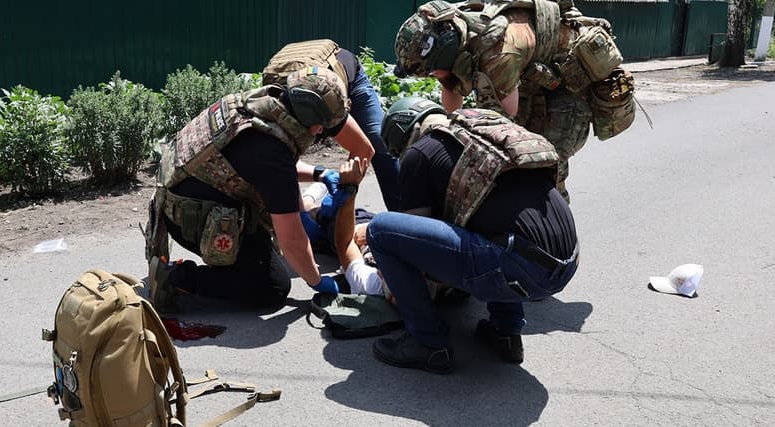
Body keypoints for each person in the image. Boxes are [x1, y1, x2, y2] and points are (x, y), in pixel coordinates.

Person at [366, 97, 579, 373]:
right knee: (496, 226)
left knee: (381, 230)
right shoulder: (478, 136)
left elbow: (419, 256)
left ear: (400, 137)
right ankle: (506, 333)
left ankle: (429, 343)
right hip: (567, 262)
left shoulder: (418, 154)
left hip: (518, 267)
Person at [143, 66, 364, 313]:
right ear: (309, 118)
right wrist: (319, 281)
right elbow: (292, 240)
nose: (321, 131)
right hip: (192, 219)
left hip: (181, 196)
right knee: (271, 287)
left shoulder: (259, 108)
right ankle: (175, 278)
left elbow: (257, 165)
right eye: (322, 125)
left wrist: (319, 174)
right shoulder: (271, 154)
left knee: (265, 252)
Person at [393, 0, 636, 200]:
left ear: (444, 55)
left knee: (543, 159)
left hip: (569, 86)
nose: (431, 77)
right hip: (532, 74)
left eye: (432, 72)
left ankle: (554, 228)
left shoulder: (498, 54)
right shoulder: (451, 24)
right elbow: (452, 107)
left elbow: (499, 123)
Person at [263, 39, 402, 211]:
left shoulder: (323, 105)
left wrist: (343, 196)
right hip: (294, 71)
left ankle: (404, 216)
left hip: (339, 71)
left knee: (378, 140)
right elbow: (283, 166)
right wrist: (320, 175)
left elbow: (364, 149)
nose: (320, 132)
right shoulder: (266, 118)